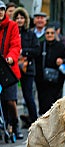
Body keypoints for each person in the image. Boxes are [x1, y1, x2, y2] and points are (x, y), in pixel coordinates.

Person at [13, 7, 40, 128]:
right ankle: (12, 123)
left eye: (22, 17)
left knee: (28, 96)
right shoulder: (11, 33)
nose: (19, 20)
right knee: (11, 97)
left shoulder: (31, 34)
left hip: (27, 68)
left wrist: (23, 52)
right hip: (12, 67)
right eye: (17, 18)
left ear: (26, 19)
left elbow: (36, 50)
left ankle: (35, 122)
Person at [34, 25, 65, 115]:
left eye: (52, 33)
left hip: (56, 81)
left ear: (55, 34)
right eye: (47, 33)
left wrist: (62, 61)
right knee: (42, 103)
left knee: (54, 104)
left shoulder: (61, 46)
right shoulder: (40, 45)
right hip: (42, 81)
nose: (50, 35)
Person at [0, 1, 23, 139]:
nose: (1, 12)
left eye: (2, 10)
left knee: (10, 101)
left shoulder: (12, 26)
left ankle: (15, 124)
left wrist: (10, 58)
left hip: (8, 68)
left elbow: (15, 45)